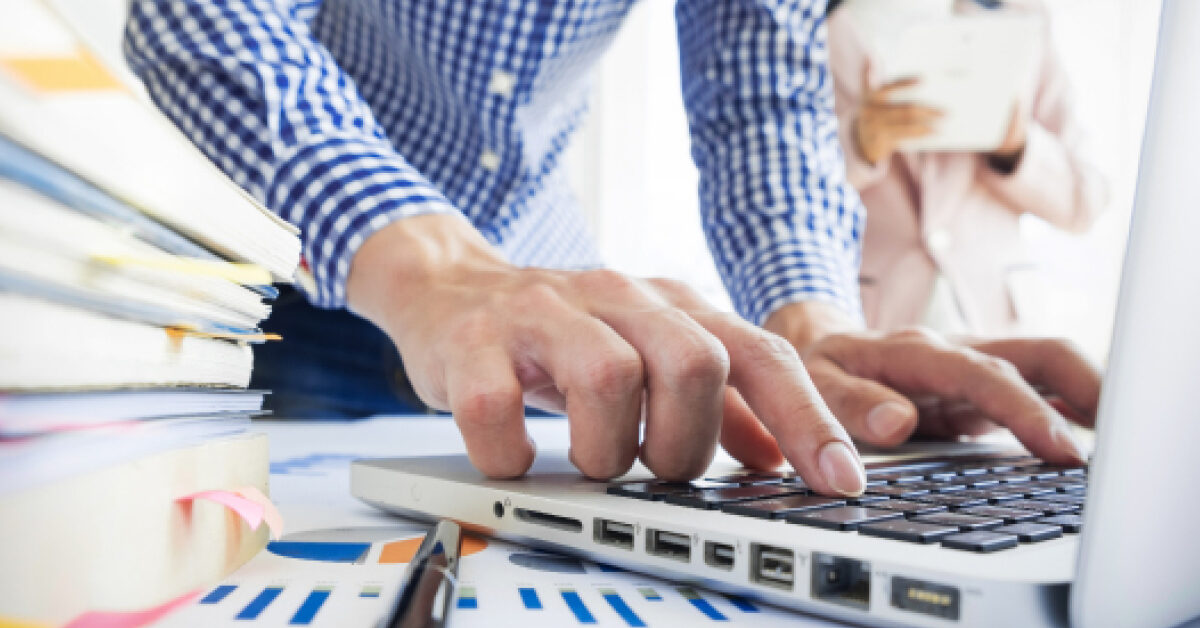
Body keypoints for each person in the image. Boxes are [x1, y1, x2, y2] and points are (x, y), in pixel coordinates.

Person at [123, 0, 1099, 498]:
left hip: (544, 327)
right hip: (288, 279)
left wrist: (815, 319)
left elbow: (760, 86)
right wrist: (429, 268)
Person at [827, 0, 1108, 334]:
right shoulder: (806, 24)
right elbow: (773, 184)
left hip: (1000, 323)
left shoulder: (1023, 18)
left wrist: (1017, 148)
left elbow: (1085, 201)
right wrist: (856, 144)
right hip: (869, 321)